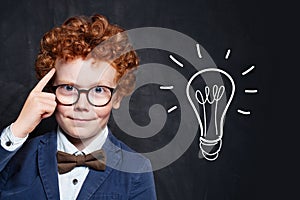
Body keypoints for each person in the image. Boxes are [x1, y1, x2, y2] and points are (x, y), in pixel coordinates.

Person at [0, 14, 156, 199]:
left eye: (98, 90)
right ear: (51, 92)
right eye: (68, 88)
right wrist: (17, 131)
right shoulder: (15, 156)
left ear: (117, 97)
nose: (82, 105)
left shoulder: (137, 170)